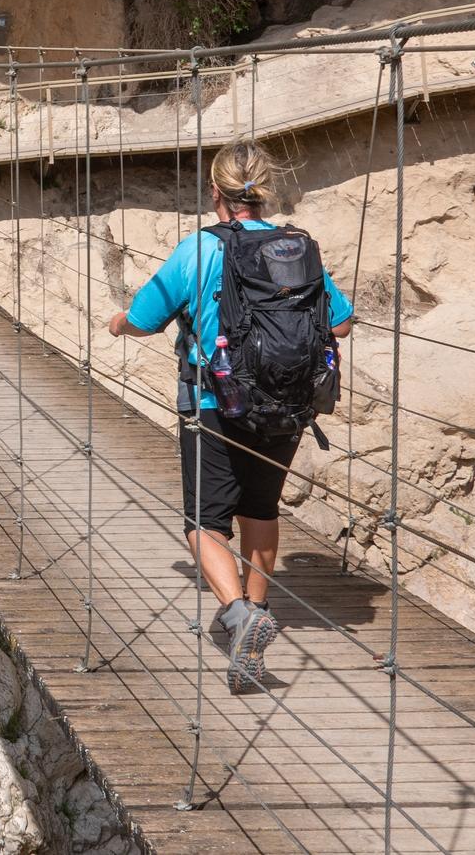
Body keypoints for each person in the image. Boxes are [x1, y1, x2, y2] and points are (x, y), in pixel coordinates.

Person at [107, 139, 354, 693]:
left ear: (213, 191)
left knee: (204, 522)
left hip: (215, 403)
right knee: (260, 508)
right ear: (265, 194)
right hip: (286, 405)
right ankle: (256, 611)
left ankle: (240, 617)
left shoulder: (198, 250)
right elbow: (340, 323)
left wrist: (121, 323)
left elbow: (146, 320)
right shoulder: (299, 249)